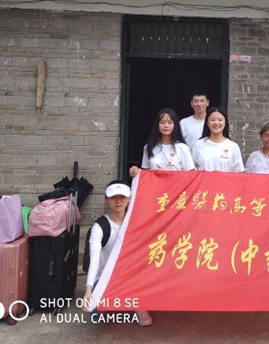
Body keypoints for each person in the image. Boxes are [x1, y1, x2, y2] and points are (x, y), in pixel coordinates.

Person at [82, 181, 153, 326]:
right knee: (95, 312)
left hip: (131, 275)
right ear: (106, 200)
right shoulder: (100, 227)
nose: (118, 201)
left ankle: (138, 303)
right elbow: (94, 261)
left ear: (129, 199)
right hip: (107, 277)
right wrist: (88, 289)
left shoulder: (136, 223)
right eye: (113, 197)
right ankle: (118, 298)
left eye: (122, 197)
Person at [129, 108, 194, 178]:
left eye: (170, 122)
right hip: (154, 185)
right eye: (162, 122)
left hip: (177, 185)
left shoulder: (183, 148)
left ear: (175, 125)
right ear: (157, 125)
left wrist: (165, 173)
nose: (166, 125)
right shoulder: (149, 147)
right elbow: (145, 174)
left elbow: (191, 175)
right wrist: (135, 172)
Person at [191, 107, 245, 172]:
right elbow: (191, 171)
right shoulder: (198, 145)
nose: (216, 123)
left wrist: (221, 175)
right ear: (207, 123)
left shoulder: (233, 146)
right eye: (212, 120)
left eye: (220, 120)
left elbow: (240, 172)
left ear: (225, 123)